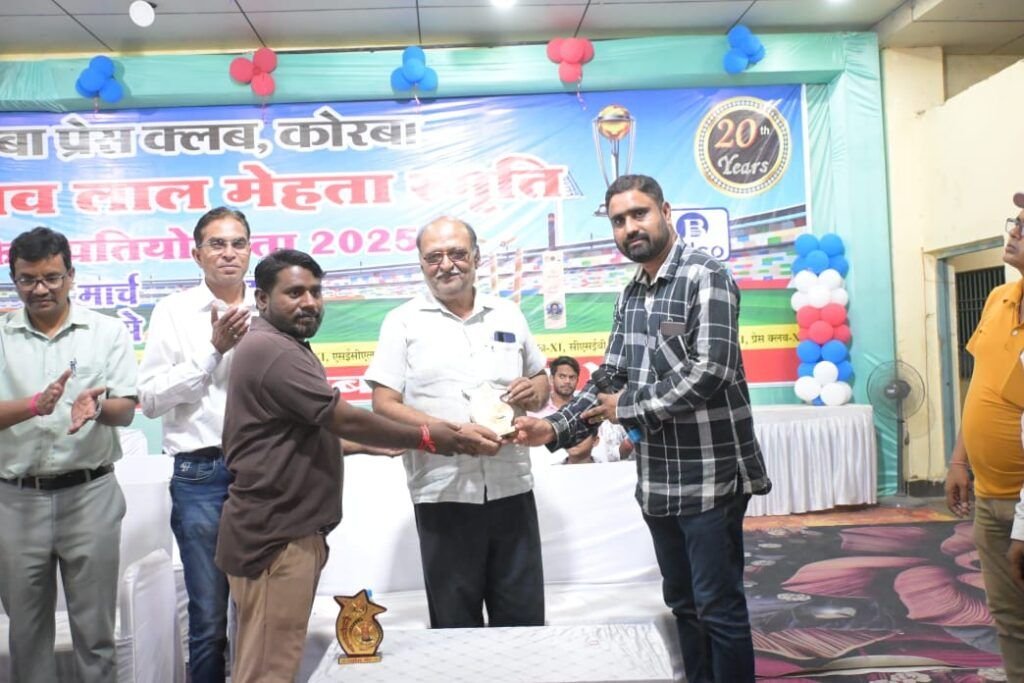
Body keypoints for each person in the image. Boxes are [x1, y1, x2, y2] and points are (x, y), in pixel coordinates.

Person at [514, 175, 770, 683]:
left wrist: (627, 408)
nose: (630, 227)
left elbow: (711, 371)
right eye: (618, 220)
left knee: (718, 606)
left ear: (665, 212)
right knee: (683, 604)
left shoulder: (706, 276)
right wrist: (554, 427)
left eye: (639, 214)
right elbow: (609, 377)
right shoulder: (630, 294)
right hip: (658, 478)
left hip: (712, 473)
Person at [214, 249, 468, 682]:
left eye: (315, 292)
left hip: (283, 532)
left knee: (267, 663)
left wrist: (363, 446)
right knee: (269, 671)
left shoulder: (281, 345)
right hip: (278, 537)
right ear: (262, 299)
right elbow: (339, 416)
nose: (309, 302)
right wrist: (426, 437)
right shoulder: (271, 349)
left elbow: (291, 434)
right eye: (295, 293)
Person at [365, 216, 550, 628]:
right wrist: (449, 433)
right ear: (421, 263)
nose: (446, 264)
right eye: (434, 257)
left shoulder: (508, 313)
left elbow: (542, 381)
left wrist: (535, 391)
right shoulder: (402, 322)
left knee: (522, 624)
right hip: (443, 493)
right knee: (454, 627)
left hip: (511, 487)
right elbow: (384, 403)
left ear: (477, 258)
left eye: (457, 254)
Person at [0, 227, 138, 683]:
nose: (40, 289)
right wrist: (32, 406)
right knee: (26, 634)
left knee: (95, 633)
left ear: (71, 276)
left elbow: (125, 409)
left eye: (51, 278)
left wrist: (97, 408)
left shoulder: (107, 331)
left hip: (89, 496)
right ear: (14, 279)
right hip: (15, 501)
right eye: (28, 279)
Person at [137, 206, 255, 683]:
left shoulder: (268, 306)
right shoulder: (174, 311)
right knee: (208, 621)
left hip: (263, 473)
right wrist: (213, 350)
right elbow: (150, 400)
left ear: (250, 250)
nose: (229, 253)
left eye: (238, 243)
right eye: (217, 244)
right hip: (200, 475)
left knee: (259, 615)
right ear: (196, 254)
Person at [946, 193, 1024, 677]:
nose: (1014, 231)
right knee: (1010, 619)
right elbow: (981, 384)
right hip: (991, 500)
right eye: (1016, 221)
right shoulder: (998, 299)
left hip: (1022, 504)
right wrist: (960, 459)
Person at [532, 356, 596, 464]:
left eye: (572, 377)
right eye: (562, 376)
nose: (567, 381)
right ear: (551, 379)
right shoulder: (535, 411)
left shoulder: (586, 408)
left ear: (577, 380)